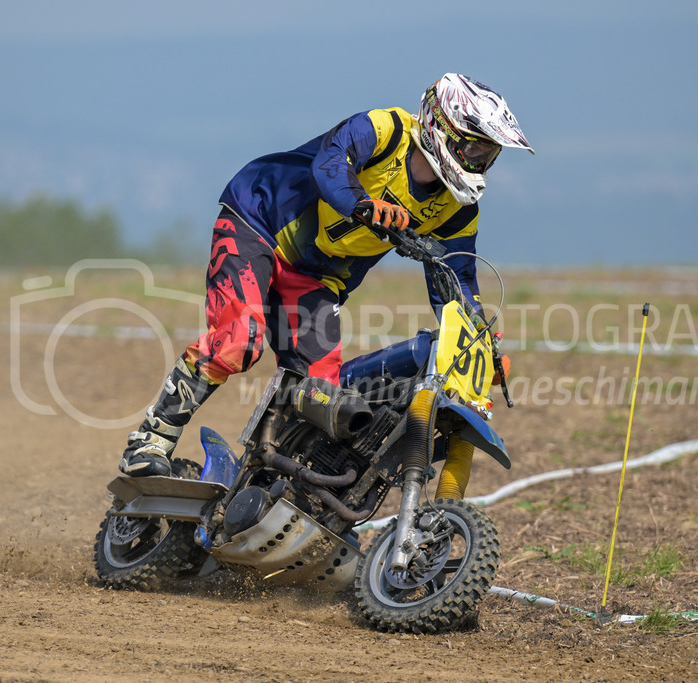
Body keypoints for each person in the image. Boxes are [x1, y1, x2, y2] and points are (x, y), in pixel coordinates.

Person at [119, 73, 533, 480]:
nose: (480, 163)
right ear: (442, 126)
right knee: (237, 343)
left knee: (322, 394)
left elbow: (455, 275)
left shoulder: (456, 207)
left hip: (318, 274)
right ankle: (151, 441)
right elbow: (330, 164)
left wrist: (478, 342)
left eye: (488, 155)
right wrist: (363, 204)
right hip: (258, 221)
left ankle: (264, 485)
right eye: (475, 149)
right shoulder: (383, 129)